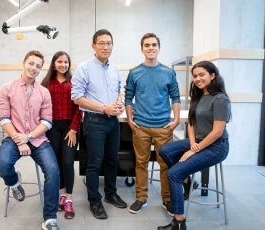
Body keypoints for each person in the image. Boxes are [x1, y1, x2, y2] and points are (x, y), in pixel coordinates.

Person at [0, 50, 63, 230]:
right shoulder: (7, 88)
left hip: (38, 139)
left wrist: (29, 137)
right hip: (13, 137)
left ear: (41, 69)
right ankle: (14, 182)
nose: (34, 68)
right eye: (31, 63)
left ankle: (50, 219)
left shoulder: (44, 92)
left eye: (38, 66)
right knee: (1, 163)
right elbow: (4, 118)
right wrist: (19, 138)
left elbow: (47, 121)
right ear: (23, 63)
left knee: (53, 170)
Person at [157, 60, 231, 230]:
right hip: (198, 141)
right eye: (195, 76)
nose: (197, 79)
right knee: (165, 150)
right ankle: (188, 183)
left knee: (174, 173)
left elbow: (217, 132)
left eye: (201, 75)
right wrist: (192, 144)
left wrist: (193, 151)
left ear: (212, 75)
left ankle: (179, 222)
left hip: (216, 147)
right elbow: (191, 123)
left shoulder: (220, 99)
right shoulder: (199, 96)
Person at [71, 29, 127, 219]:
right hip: (94, 121)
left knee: (113, 159)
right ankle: (95, 201)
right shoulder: (84, 68)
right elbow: (77, 97)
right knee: (95, 162)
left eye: (109, 43)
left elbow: (119, 90)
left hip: (113, 121)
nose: (105, 46)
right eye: (101, 43)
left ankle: (111, 194)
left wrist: (119, 103)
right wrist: (104, 108)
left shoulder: (115, 68)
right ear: (93, 45)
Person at [124, 33, 181, 214]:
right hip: (140, 127)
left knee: (165, 164)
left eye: (154, 45)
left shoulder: (168, 72)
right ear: (142, 49)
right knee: (141, 163)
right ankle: (141, 198)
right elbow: (128, 97)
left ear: (159, 48)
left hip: (163, 127)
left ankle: (167, 199)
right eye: (147, 45)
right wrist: (130, 119)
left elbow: (175, 97)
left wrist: (176, 119)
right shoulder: (135, 72)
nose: (150, 48)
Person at [41, 51, 83, 219]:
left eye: (66, 62)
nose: (63, 65)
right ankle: (62, 195)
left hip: (70, 128)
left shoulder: (74, 83)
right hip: (52, 128)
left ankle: (69, 200)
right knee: (57, 162)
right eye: (60, 61)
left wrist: (73, 129)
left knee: (67, 161)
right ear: (54, 64)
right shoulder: (46, 84)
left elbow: (80, 108)